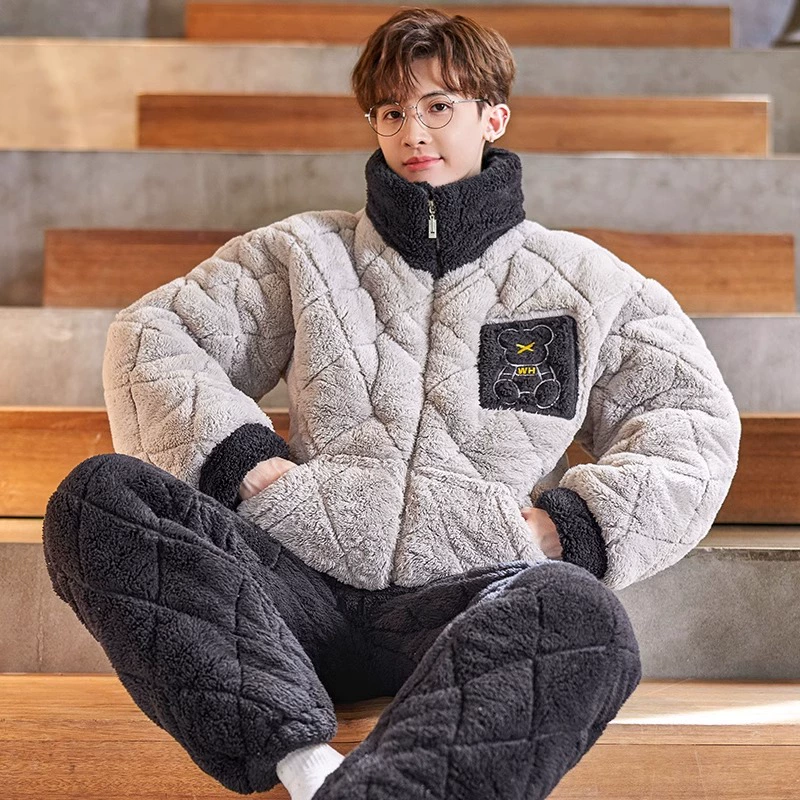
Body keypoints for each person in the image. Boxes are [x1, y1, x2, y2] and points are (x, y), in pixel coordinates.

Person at [41, 7, 741, 800]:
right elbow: (153, 336)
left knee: (585, 616)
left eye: (438, 106)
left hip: (466, 605)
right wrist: (244, 462)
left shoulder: (588, 283)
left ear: (493, 116)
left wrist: (565, 529)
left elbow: (689, 422)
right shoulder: (304, 251)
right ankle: (302, 765)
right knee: (99, 496)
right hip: (291, 591)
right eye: (392, 112)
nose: (414, 132)